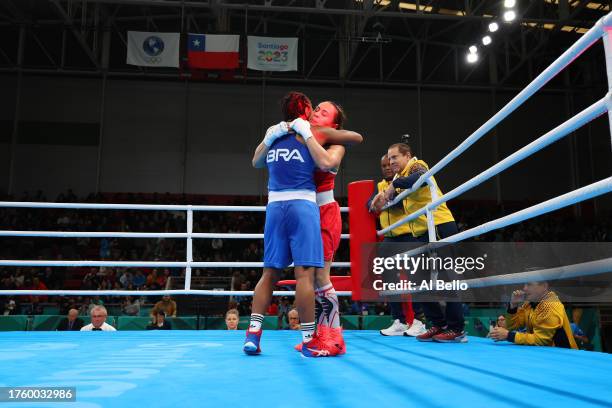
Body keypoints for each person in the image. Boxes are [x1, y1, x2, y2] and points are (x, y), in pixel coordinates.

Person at [246, 92, 354, 357]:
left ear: (334, 124)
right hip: (302, 209)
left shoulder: (332, 141)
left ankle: (334, 337)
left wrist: (309, 132)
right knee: (307, 276)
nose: (317, 112)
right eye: (316, 108)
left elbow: (343, 149)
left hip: (322, 211)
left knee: (318, 276)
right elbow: (258, 160)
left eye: (324, 112)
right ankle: (315, 336)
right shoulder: (290, 133)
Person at [371, 142, 465, 343]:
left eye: (395, 157)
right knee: (419, 279)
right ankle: (437, 323)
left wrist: (394, 186)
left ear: (407, 155)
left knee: (446, 277)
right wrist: (380, 198)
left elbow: (420, 179)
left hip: (439, 225)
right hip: (422, 231)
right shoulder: (398, 178)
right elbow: (384, 201)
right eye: (389, 158)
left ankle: (456, 328)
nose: (391, 161)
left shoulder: (416, 165)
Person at [369, 153, 426, 338]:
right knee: (388, 278)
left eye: (390, 164)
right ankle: (399, 321)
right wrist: (376, 201)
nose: (387, 167)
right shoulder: (380, 185)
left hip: (409, 234)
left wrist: (386, 200)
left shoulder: (402, 180)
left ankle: (419, 321)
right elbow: (369, 204)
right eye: (383, 165)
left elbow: (402, 203)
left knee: (415, 277)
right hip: (390, 237)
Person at [489, 281, 577, 349]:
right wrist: (513, 306)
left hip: (563, 357)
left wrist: (509, 335)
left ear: (544, 286)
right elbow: (512, 326)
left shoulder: (551, 305)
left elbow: (541, 340)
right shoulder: (530, 303)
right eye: (525, 285)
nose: (525, 288)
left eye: (529, 284)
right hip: (541, 355)